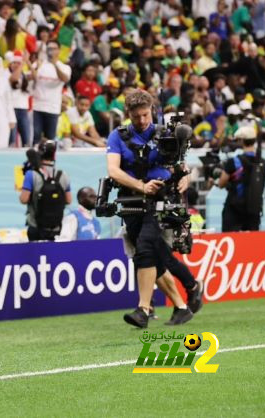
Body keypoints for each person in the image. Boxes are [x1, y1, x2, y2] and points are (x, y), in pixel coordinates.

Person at [106, 89, 194, 328]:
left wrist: (185, 178)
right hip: (132, 202)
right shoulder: (118, 136)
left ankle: (143, 310)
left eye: (145, 115)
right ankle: (183, 302)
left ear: (152, 111)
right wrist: (141, 186)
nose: (142, 121)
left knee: (145, 250)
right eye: (137, 117)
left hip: (162, 202)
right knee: (151, 258)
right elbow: (113, 171)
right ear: (129, 114)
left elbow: (183, 165)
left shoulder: (166, 132)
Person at [217, 126, 265, 231]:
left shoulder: (234, 162)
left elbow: (221, 183)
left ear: (241, 141)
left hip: (234, 209)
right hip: (254, 208)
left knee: (231, 239)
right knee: (252, 242)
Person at [20, 139, 72, 241]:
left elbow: (24, 199)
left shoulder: (31, 174)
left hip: (36, 226)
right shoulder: (63, 175)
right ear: (54, 155)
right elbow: (69, 200)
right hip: (56, 227)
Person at [32, 40, 71, 142]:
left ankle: (49, 158)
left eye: (53, 49)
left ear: (58, 51)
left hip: (53, 107)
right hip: (38, 106)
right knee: (36, 136)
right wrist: (32, 66)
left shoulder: (64, 67)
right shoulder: (39, 64)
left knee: (50, 139)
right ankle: (36, 157)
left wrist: (55, 65)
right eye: (49, 49)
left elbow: (65, 79)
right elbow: (30, 78)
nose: (51, 51)